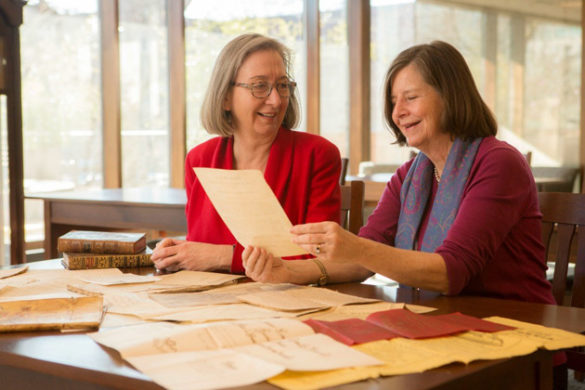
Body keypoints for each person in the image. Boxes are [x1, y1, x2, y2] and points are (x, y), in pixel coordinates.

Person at [243, 40, 555, 305]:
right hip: (440, 320)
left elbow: (452, 271)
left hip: (517, 330)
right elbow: (359, 262)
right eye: (394, 102)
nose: (397, 113)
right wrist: (286, 272)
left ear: (450, 96)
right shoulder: (409, 176)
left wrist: (357, 246)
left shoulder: (499, 163)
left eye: (411, 98)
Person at [151, 33, 341, 274]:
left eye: (282, 86)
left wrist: (220, 256)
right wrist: (175, 252)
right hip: (207, 302)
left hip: (286, 303)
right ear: (226, 97)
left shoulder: (318, 155)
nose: (276, 100)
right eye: (260, 86)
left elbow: (320, 256)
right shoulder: (199, 159)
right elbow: (199, 246)